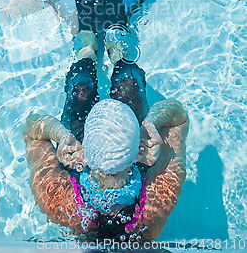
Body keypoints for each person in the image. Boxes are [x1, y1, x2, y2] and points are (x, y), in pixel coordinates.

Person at [23, 30, 189, 241]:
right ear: (138, 147)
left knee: (81, 88)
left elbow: (31, 130)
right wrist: (151, 124)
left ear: (85, 150)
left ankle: (86, 55)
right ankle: (120, 58)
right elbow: (179, 117)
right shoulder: (157, 198)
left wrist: (62, 135)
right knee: (129, 83)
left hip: (86, 155)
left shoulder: (60, 200)